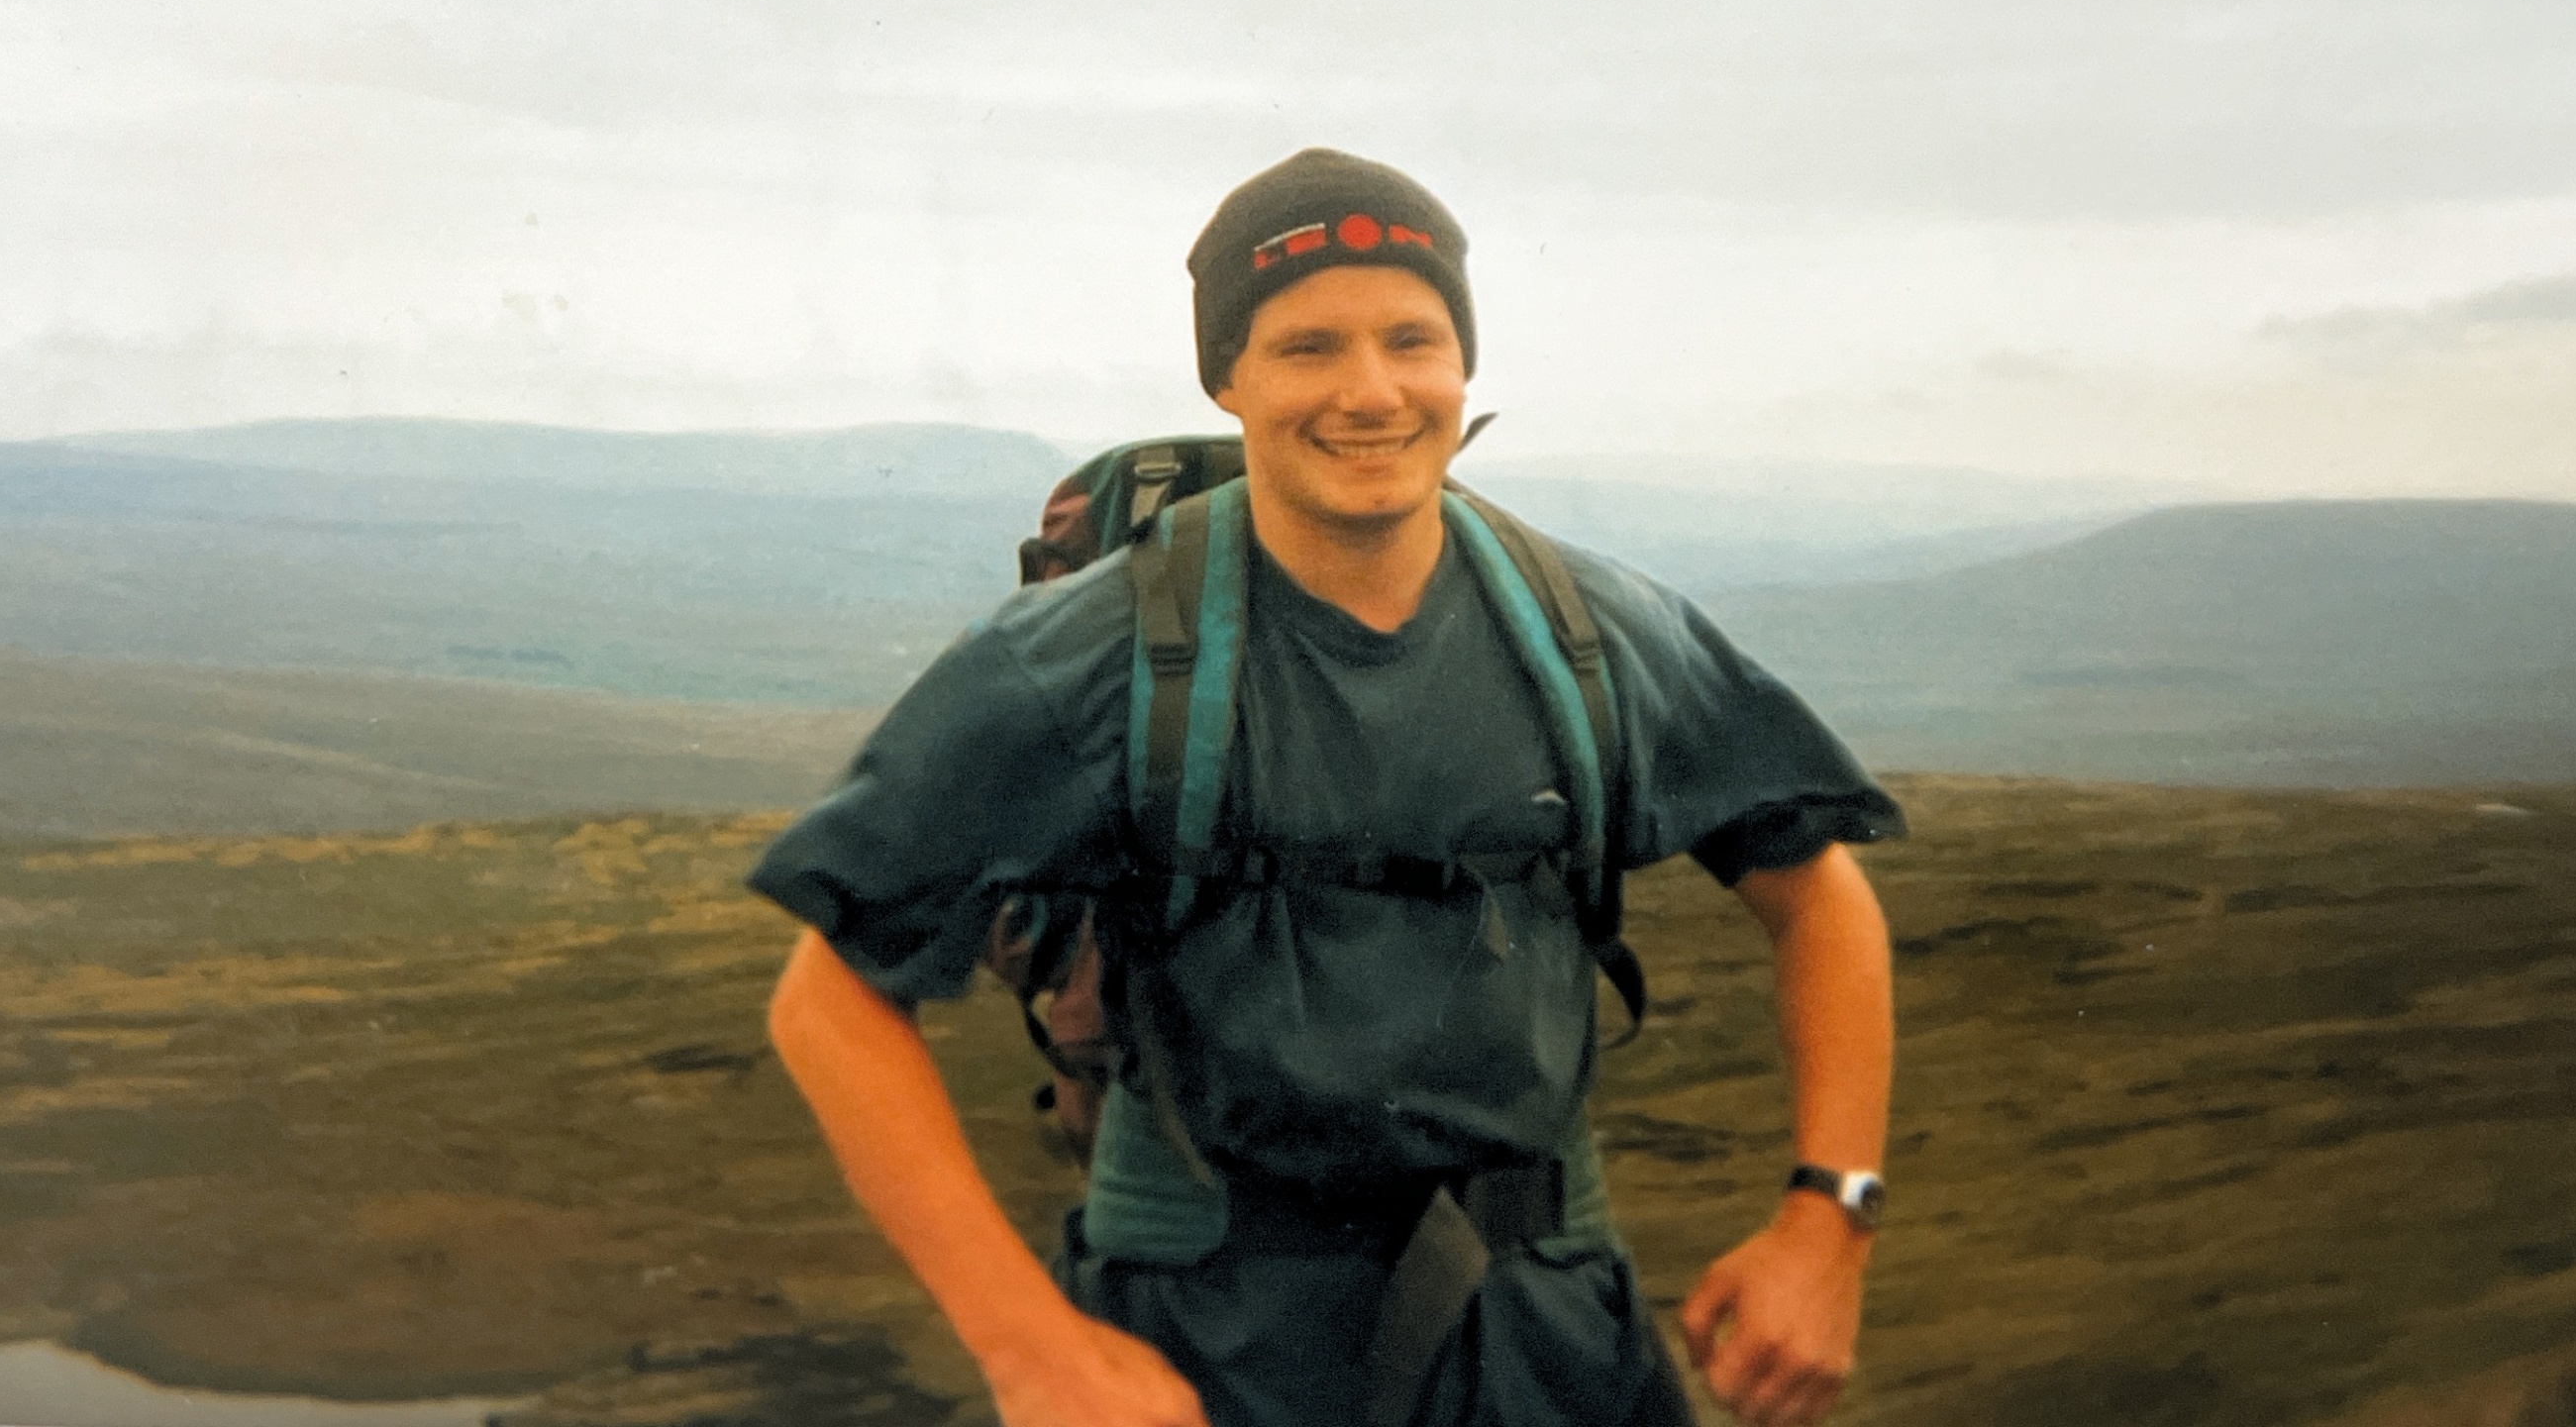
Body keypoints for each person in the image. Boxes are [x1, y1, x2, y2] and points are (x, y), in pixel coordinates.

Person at [752, 149, 1905, 1427]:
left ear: (1462, 367)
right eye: (1307, 347)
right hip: (1205, 1330)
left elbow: (1819, 896)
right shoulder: (1086, 659)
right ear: (1225, 377)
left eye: (1412, 339)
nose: (1370, 392)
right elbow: (830, 997)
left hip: (1541, 1328)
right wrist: (1029, 1348)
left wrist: (1828, 1220)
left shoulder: (1597, 631)